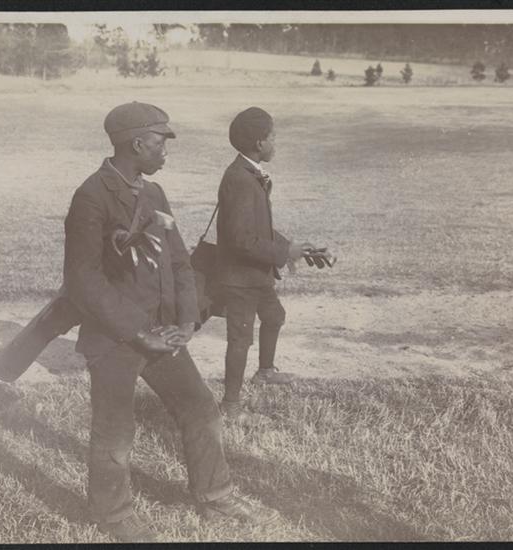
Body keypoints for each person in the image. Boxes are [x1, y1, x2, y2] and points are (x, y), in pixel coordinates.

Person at [63, 102, 278, 542]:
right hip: (115, 338)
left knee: (201, 409)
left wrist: (185, 321)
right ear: (136, 144)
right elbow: (83, 281)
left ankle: (215, 496)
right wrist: (139, 331)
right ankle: (113, 515)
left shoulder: (154, 194)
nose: (166, 151)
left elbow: (180, 261)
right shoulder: (91, 197)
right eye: (160, 143)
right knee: (115, 429)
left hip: (162, 334)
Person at [215, 106, 329, 422]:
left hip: (255, 274)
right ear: (259, 143)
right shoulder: (240, 179)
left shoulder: (249, 173)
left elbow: (259, 229)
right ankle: (231, 405)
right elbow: (241, 240)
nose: (275, 143)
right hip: (240, 279)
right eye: (273, 137)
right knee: (240, 340)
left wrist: (293, 248)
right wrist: (285, 252)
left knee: (274, 316)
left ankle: (264, 372)